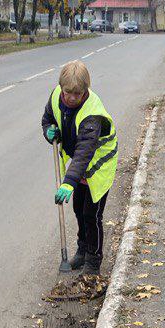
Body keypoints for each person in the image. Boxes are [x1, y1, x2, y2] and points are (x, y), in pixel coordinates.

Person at [42, 59, 118, 274]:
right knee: (78, 209)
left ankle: (93, 261)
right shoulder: (57, 95)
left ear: (86, 89)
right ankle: (82, 251)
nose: (72, 98)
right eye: (68, 93)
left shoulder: (92, 114)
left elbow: (85, 151)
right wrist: (49, 131)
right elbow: (48, 118)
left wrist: (69, 182)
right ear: (61, 88)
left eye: (78, 93)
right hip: (78, 166)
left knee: (91, 214)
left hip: (98, 165)